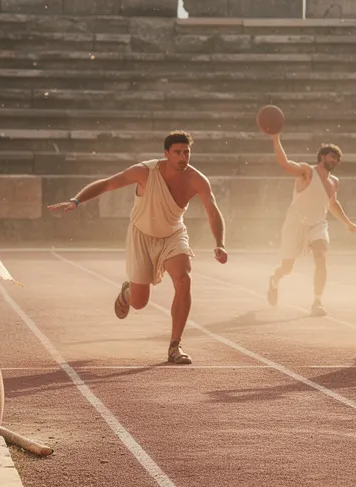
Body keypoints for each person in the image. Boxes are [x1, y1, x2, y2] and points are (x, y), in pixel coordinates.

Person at [48, 131, 228, 364]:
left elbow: (212, 211)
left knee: (184, 279)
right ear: (166, 154)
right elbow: (108, 184)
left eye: (186, 152)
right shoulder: (145, 172)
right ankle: (128, 292)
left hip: (173, 234)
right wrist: (76, 200)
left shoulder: (197, 179)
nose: (183, 157)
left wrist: (220, 244)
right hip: (141, 235)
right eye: (177, 152)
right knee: (139, 302)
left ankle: (175, 345)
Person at [266, 135, 356, 316]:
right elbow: (285, 163)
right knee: (287, 267)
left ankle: (317, 302)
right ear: (322, 156)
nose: (335, 161)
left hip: (318, 225)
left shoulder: (334, 181)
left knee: (321, 258)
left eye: (337, 159)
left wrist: (347, 223)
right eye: (332, 156)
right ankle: (274, 280)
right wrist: (276, 138)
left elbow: (332, 204)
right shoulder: (306, 172)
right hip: (295, 224)